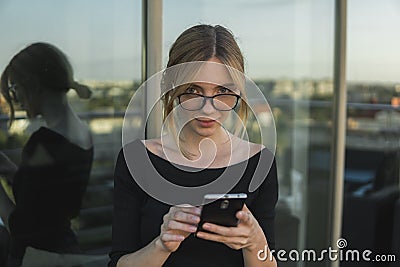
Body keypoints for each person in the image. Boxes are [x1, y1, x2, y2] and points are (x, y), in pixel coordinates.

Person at [109, 24, 278, 267]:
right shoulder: (137, 159)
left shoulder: (260, 162)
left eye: (223, 91)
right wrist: (163, 244)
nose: (208, 108)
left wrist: (255, 242)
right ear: (172, 88)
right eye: (193, 90)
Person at [0, 42, 94, 266]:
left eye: (14, 89)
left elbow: (19, 227)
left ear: (31, 85)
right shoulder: (81, 133)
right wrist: (9, 169)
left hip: (37, 258)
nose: (15, 99)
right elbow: (46, 195)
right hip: (65, 249)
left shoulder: (44, 143)